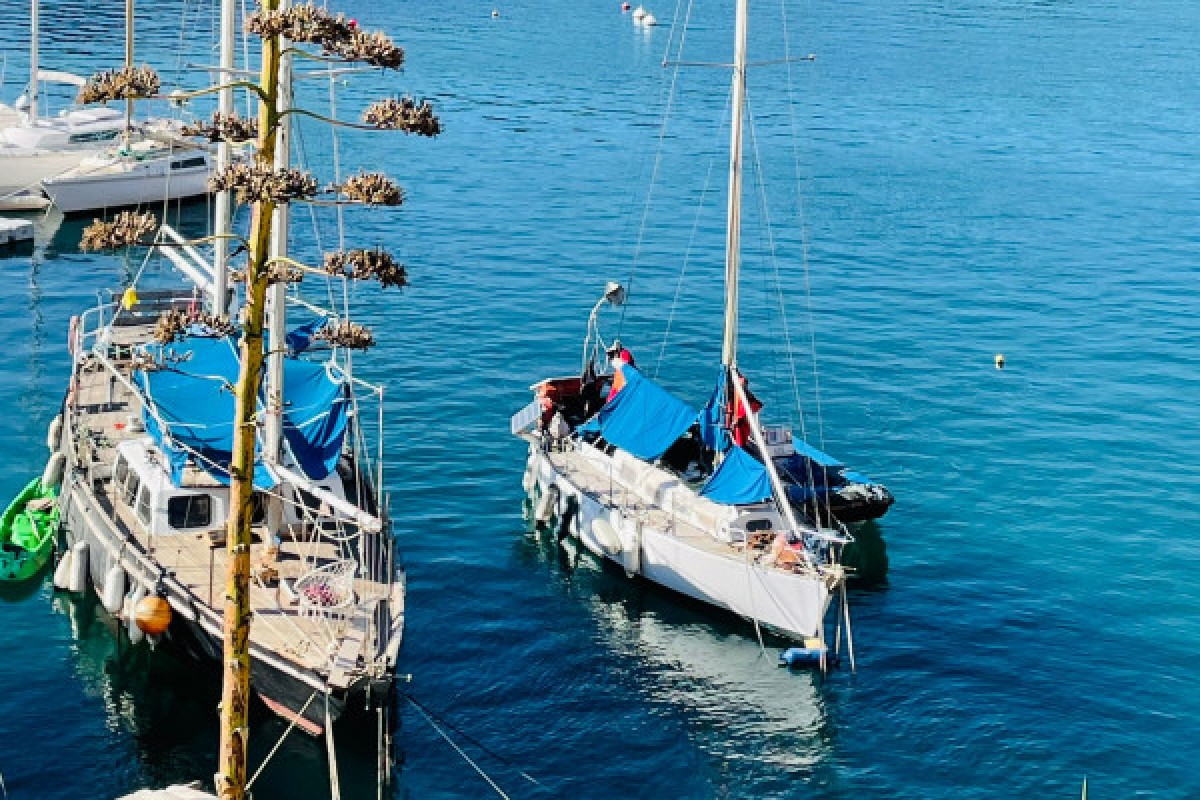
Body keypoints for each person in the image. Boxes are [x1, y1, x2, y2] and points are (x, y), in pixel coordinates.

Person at [730, 374, 762, 447]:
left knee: (741, 438)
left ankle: (741, 447)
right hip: (742, 421)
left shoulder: (745, 397)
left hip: (742, 422)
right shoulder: (742, 395)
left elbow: (744, 410)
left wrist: (736, 420)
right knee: (741, 437)